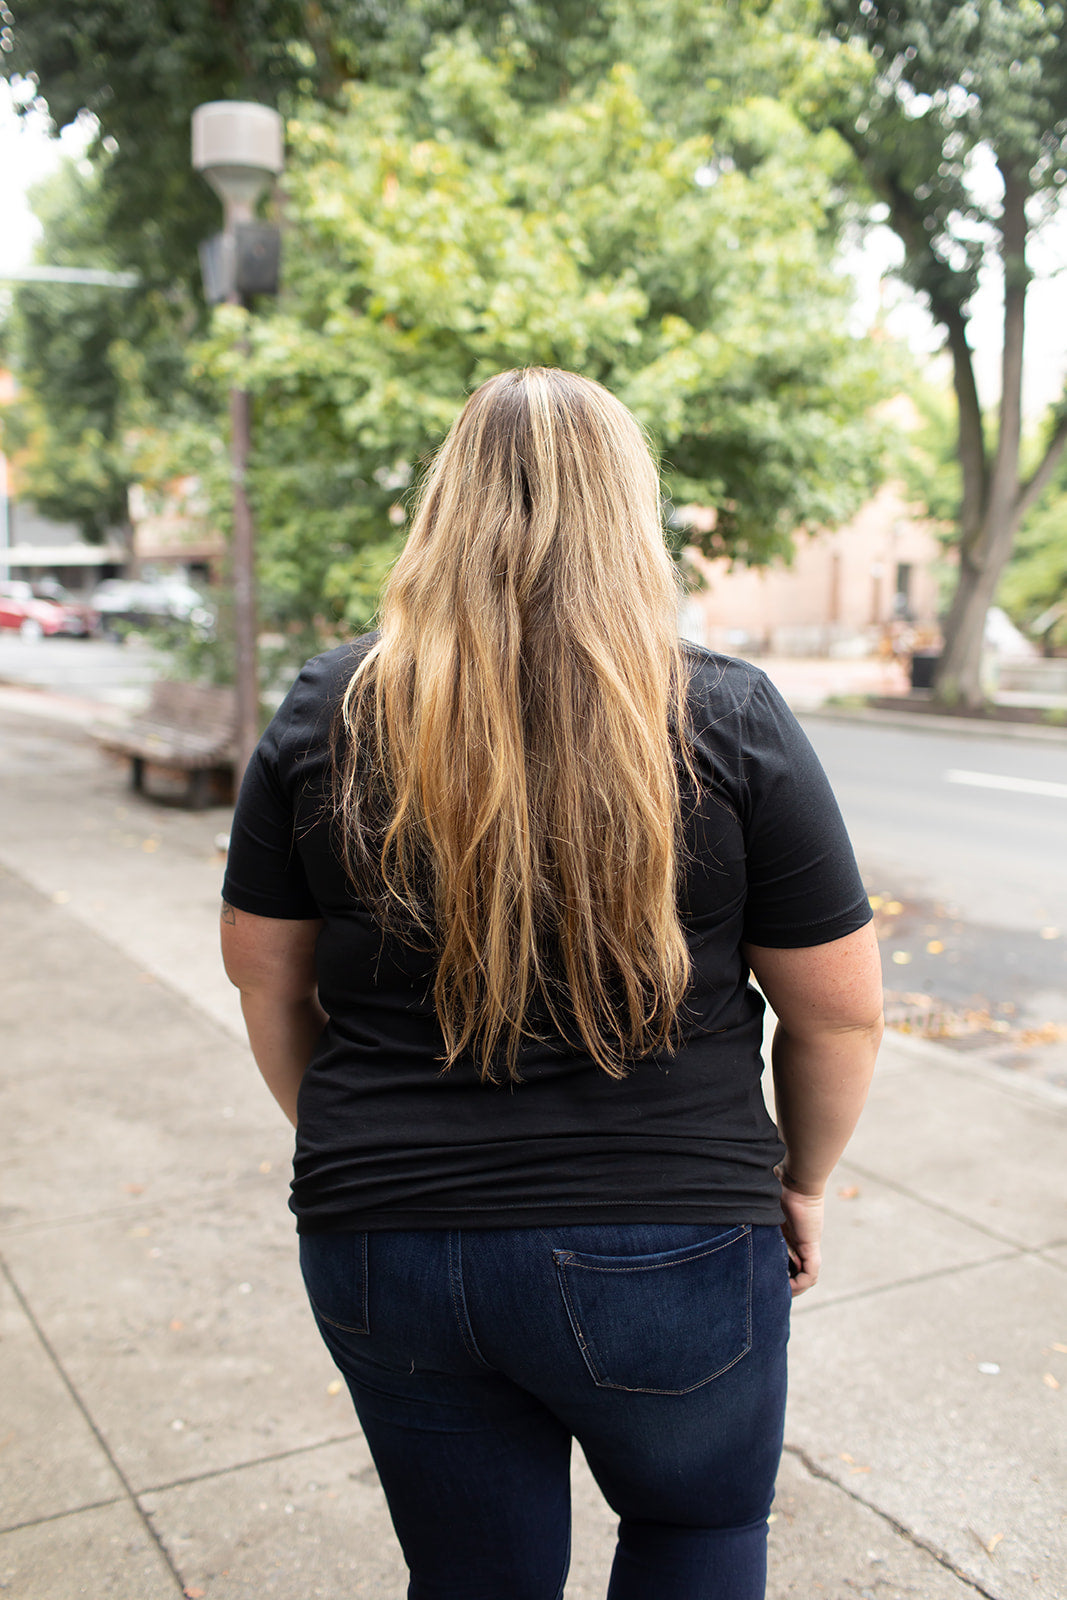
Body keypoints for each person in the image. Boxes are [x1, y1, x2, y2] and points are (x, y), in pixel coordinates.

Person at [220, 366, 883, 1600]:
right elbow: (838, 1009)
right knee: (692, 1533)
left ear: (443, 507)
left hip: (384, 1244)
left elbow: (267, 984)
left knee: (476, 1579)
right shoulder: (725, 714)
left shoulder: (333, 706)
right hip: (673, 1238)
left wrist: (365, 1149)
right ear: (627, 513)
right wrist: (799, 1181)